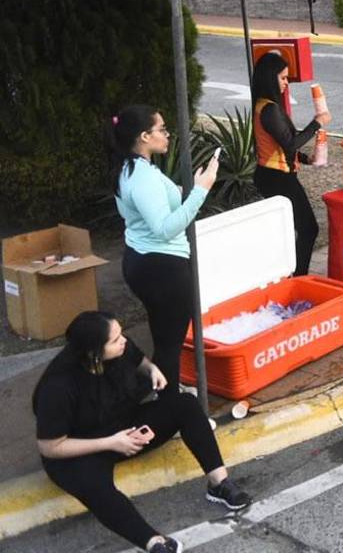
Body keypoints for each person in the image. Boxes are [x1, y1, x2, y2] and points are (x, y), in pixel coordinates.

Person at [33, 312, 251, 553]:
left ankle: (218, 484)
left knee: (185, 405)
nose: (123, 341)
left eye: (121, 333)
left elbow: (139, 360)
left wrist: (152, 369)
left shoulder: (120, 348)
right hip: (80, 448)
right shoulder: (58, 387)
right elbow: (50, 447)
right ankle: (154, 543)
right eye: (115, 340)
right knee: (97, 490)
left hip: (121, 426)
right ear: (94, 352)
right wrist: (110, 443)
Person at [110, 105, 217, 390]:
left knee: (164, 336)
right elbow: (165, 227)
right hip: (161, 267)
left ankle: (166, 390)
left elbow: (158, 204)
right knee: (170, 343)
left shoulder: (135, 167)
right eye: (162, 130)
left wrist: (188, 190)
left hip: (146, 261)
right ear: (145, 136)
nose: (167, 135)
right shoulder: (142, 176)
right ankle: (169, 406)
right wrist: (201, 191)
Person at [251, 51, 330, 276]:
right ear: (270, 78)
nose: (286, 83)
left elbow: (285, 142)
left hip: (274, 175)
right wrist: (317, 123)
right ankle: (298, 276)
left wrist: (307, 158)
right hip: (277, 178)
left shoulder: (266, 106)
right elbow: (291, 141)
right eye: (283, 78)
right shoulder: (268, 109)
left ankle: (289, 274)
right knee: (308, 228)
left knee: (290, 229)